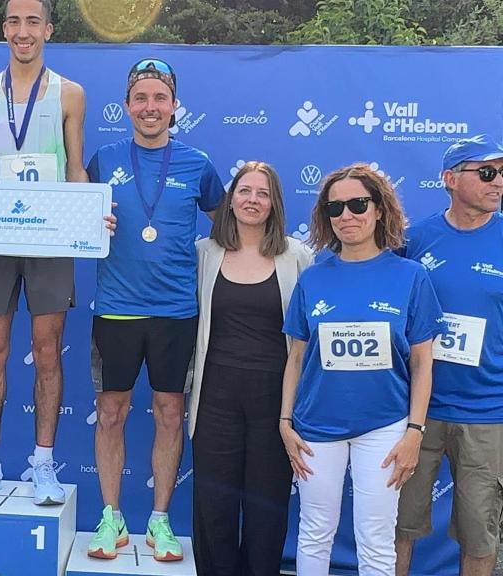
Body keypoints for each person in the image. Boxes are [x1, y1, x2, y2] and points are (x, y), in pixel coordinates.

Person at [0, 0, 88, 507]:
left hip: (49, 238)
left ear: (48, 29)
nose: (22, 31)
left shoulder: (70, 94)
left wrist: (88, 217)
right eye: (14, 21)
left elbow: (75, 168)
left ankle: (43, 464)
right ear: (4, 29)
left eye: (32, 22)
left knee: (48, 350)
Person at [82, 57, 224, 562]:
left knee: (169, 413)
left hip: (176, 311)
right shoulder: (102, 160)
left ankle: (159, 520)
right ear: (126, 106)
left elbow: (230, 227)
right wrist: (91, 222)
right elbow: (74, 219)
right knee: (111, 412)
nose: (150, 107)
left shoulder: (197, 164)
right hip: (116, 309)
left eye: (159, 98)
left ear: (174, 106)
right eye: (140, 98)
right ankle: (111, 517)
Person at [280, 164, 444, 575]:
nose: (346, 215)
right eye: (335, 208)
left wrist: (415, 430)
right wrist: (285, 422)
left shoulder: (411, 276)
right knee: (314, 532)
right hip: (316, 426)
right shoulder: (313, 278)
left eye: (357, 204)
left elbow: (423, 362)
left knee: (376, 538)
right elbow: (296, 357)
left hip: (385, 427)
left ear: (379, 209)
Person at [188, 162, 312, 574]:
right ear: (230, 200)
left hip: (273, 400)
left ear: (275, 203)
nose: (252, 200)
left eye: (263, 193)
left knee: (267, 505)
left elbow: (309, 334)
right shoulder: (204, 254)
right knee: (214, 505)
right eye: (244, 191)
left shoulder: (297, 256)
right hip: (214, 397)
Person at [395, 135, 503, 576]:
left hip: (488, 414)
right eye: (487, 172)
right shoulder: (414, 240)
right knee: (397, 526)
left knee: (480, 533)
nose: (498, 182)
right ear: (450, 179)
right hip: (416, 412)